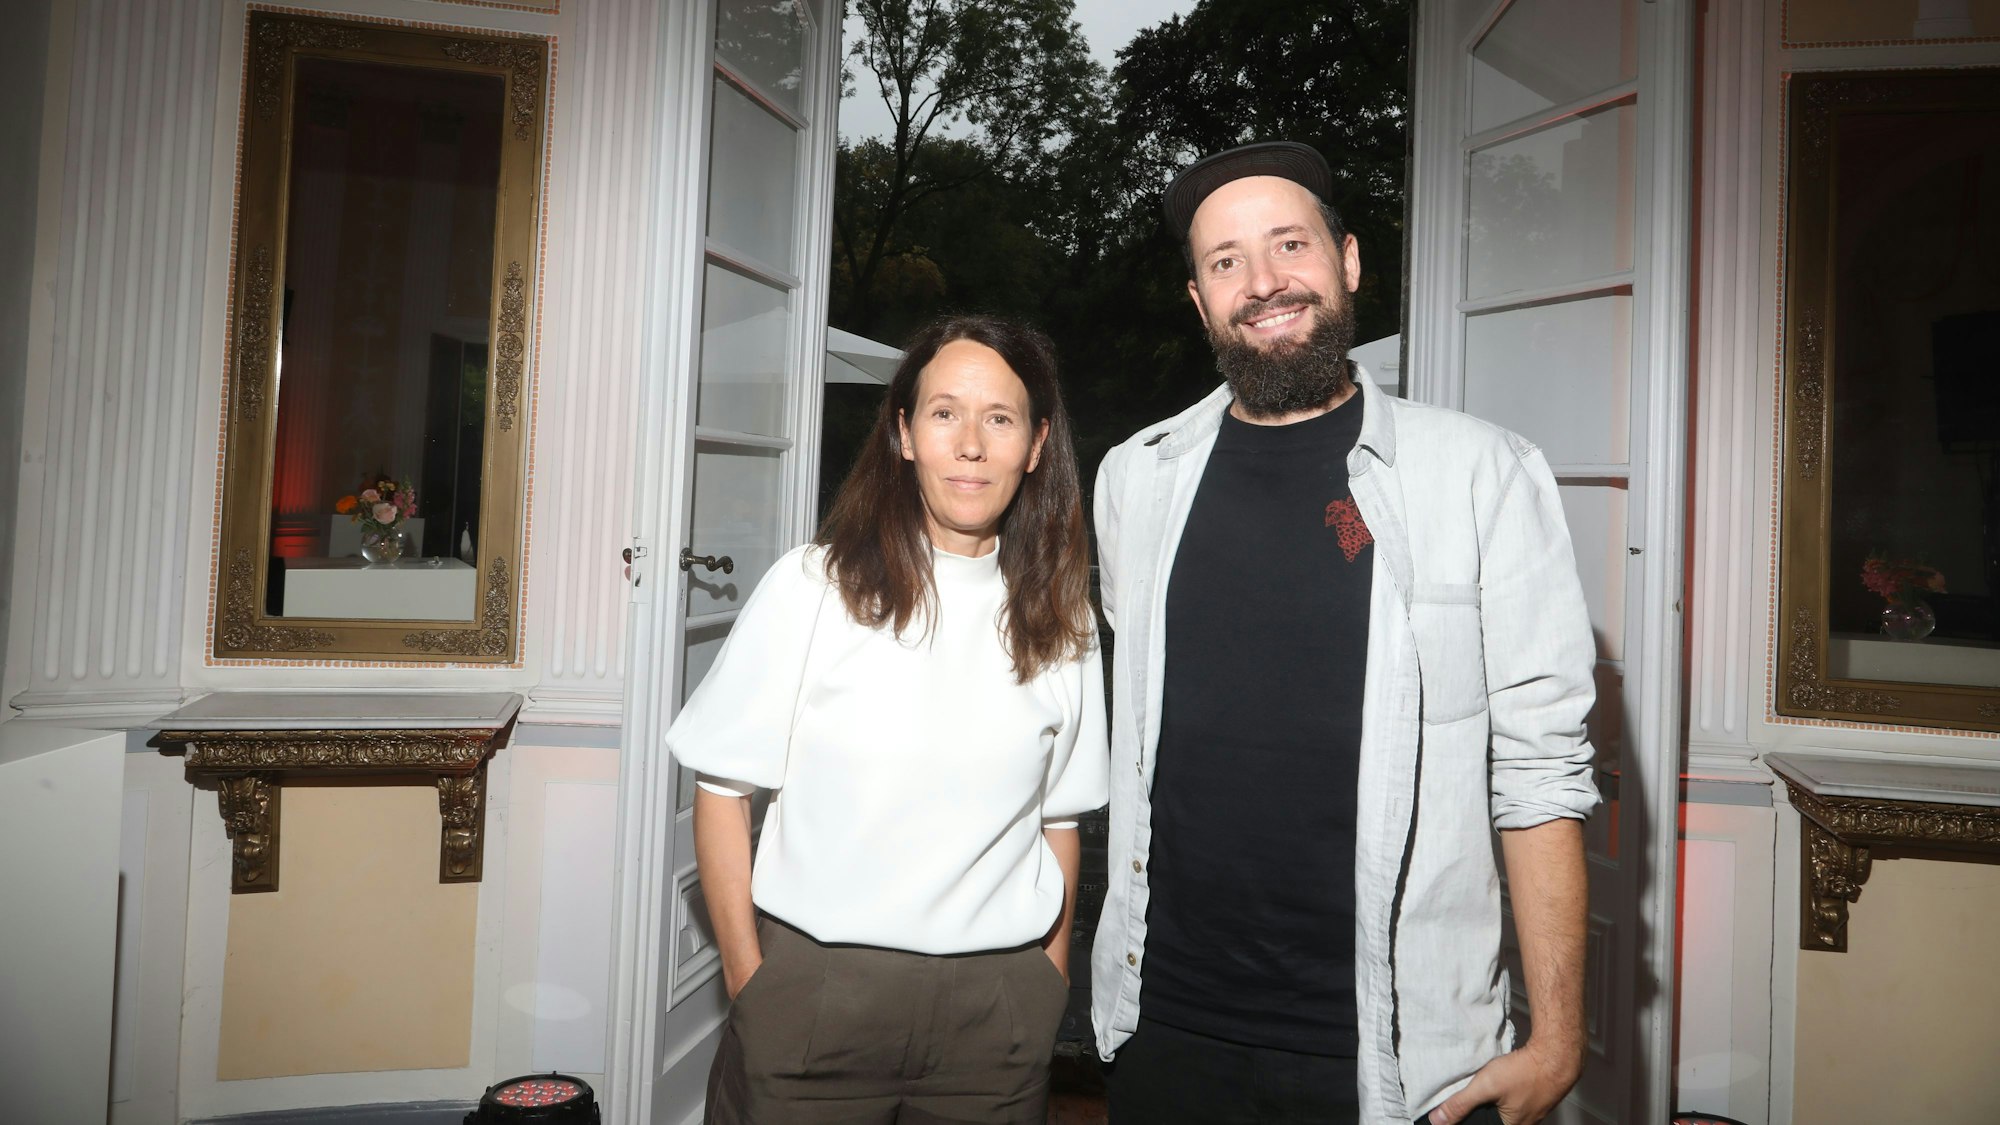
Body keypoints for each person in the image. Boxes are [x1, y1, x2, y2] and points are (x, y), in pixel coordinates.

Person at [1089, 141, 1599, 1125]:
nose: (1264, 282)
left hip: (1402, 1059)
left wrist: (1557, 1039)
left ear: (1349, 260)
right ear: (1196, 300)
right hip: (1167, 1037)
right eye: (1224, 261)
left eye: (1290, 244)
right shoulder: (1133, 482)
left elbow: (1539, 774)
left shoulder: (1479, 476)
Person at [669, 314, 1109, 1124]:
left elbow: (1061, 820)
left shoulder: (1063, 618)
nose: (970, 443)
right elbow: (722, 792)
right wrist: (751, 983)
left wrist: (1045, 985)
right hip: (813, 999)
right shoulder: (813, 587)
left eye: (1000, 418)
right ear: (905, 433)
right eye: (945, 412)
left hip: (996, 1020)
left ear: (1037, 444)